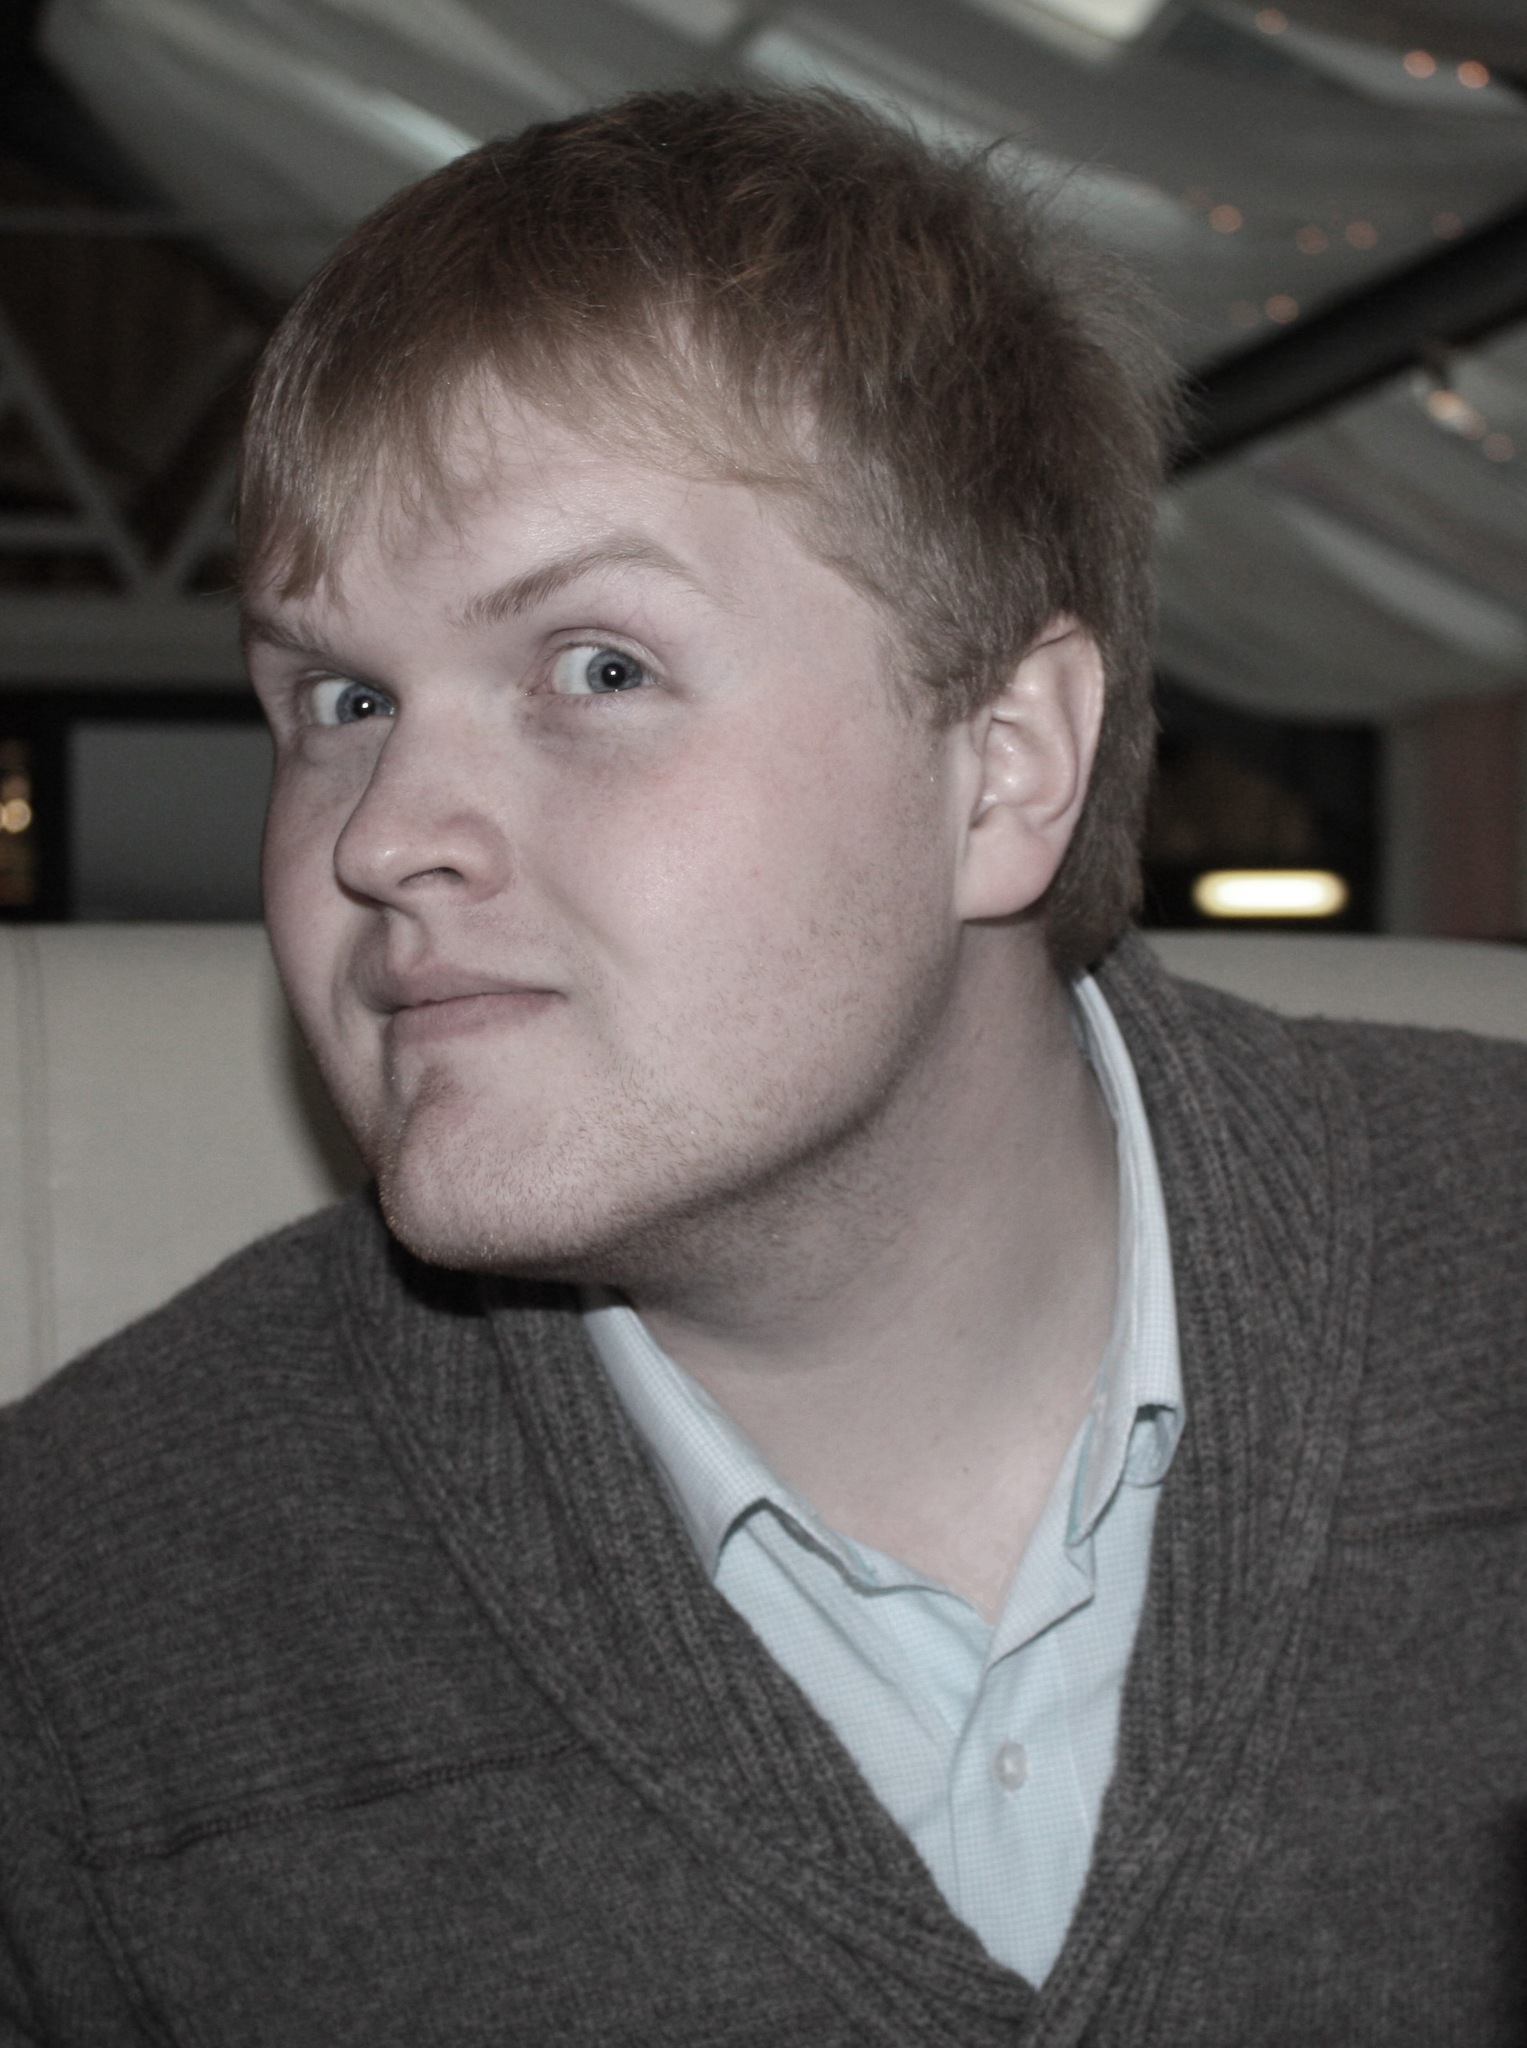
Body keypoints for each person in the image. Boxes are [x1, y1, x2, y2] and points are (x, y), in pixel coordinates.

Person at [1, 87, 1524, 2048]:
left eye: (596, 667)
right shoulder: (80, 1619)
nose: (380, 837)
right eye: (342, 699)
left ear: (1003, 765)